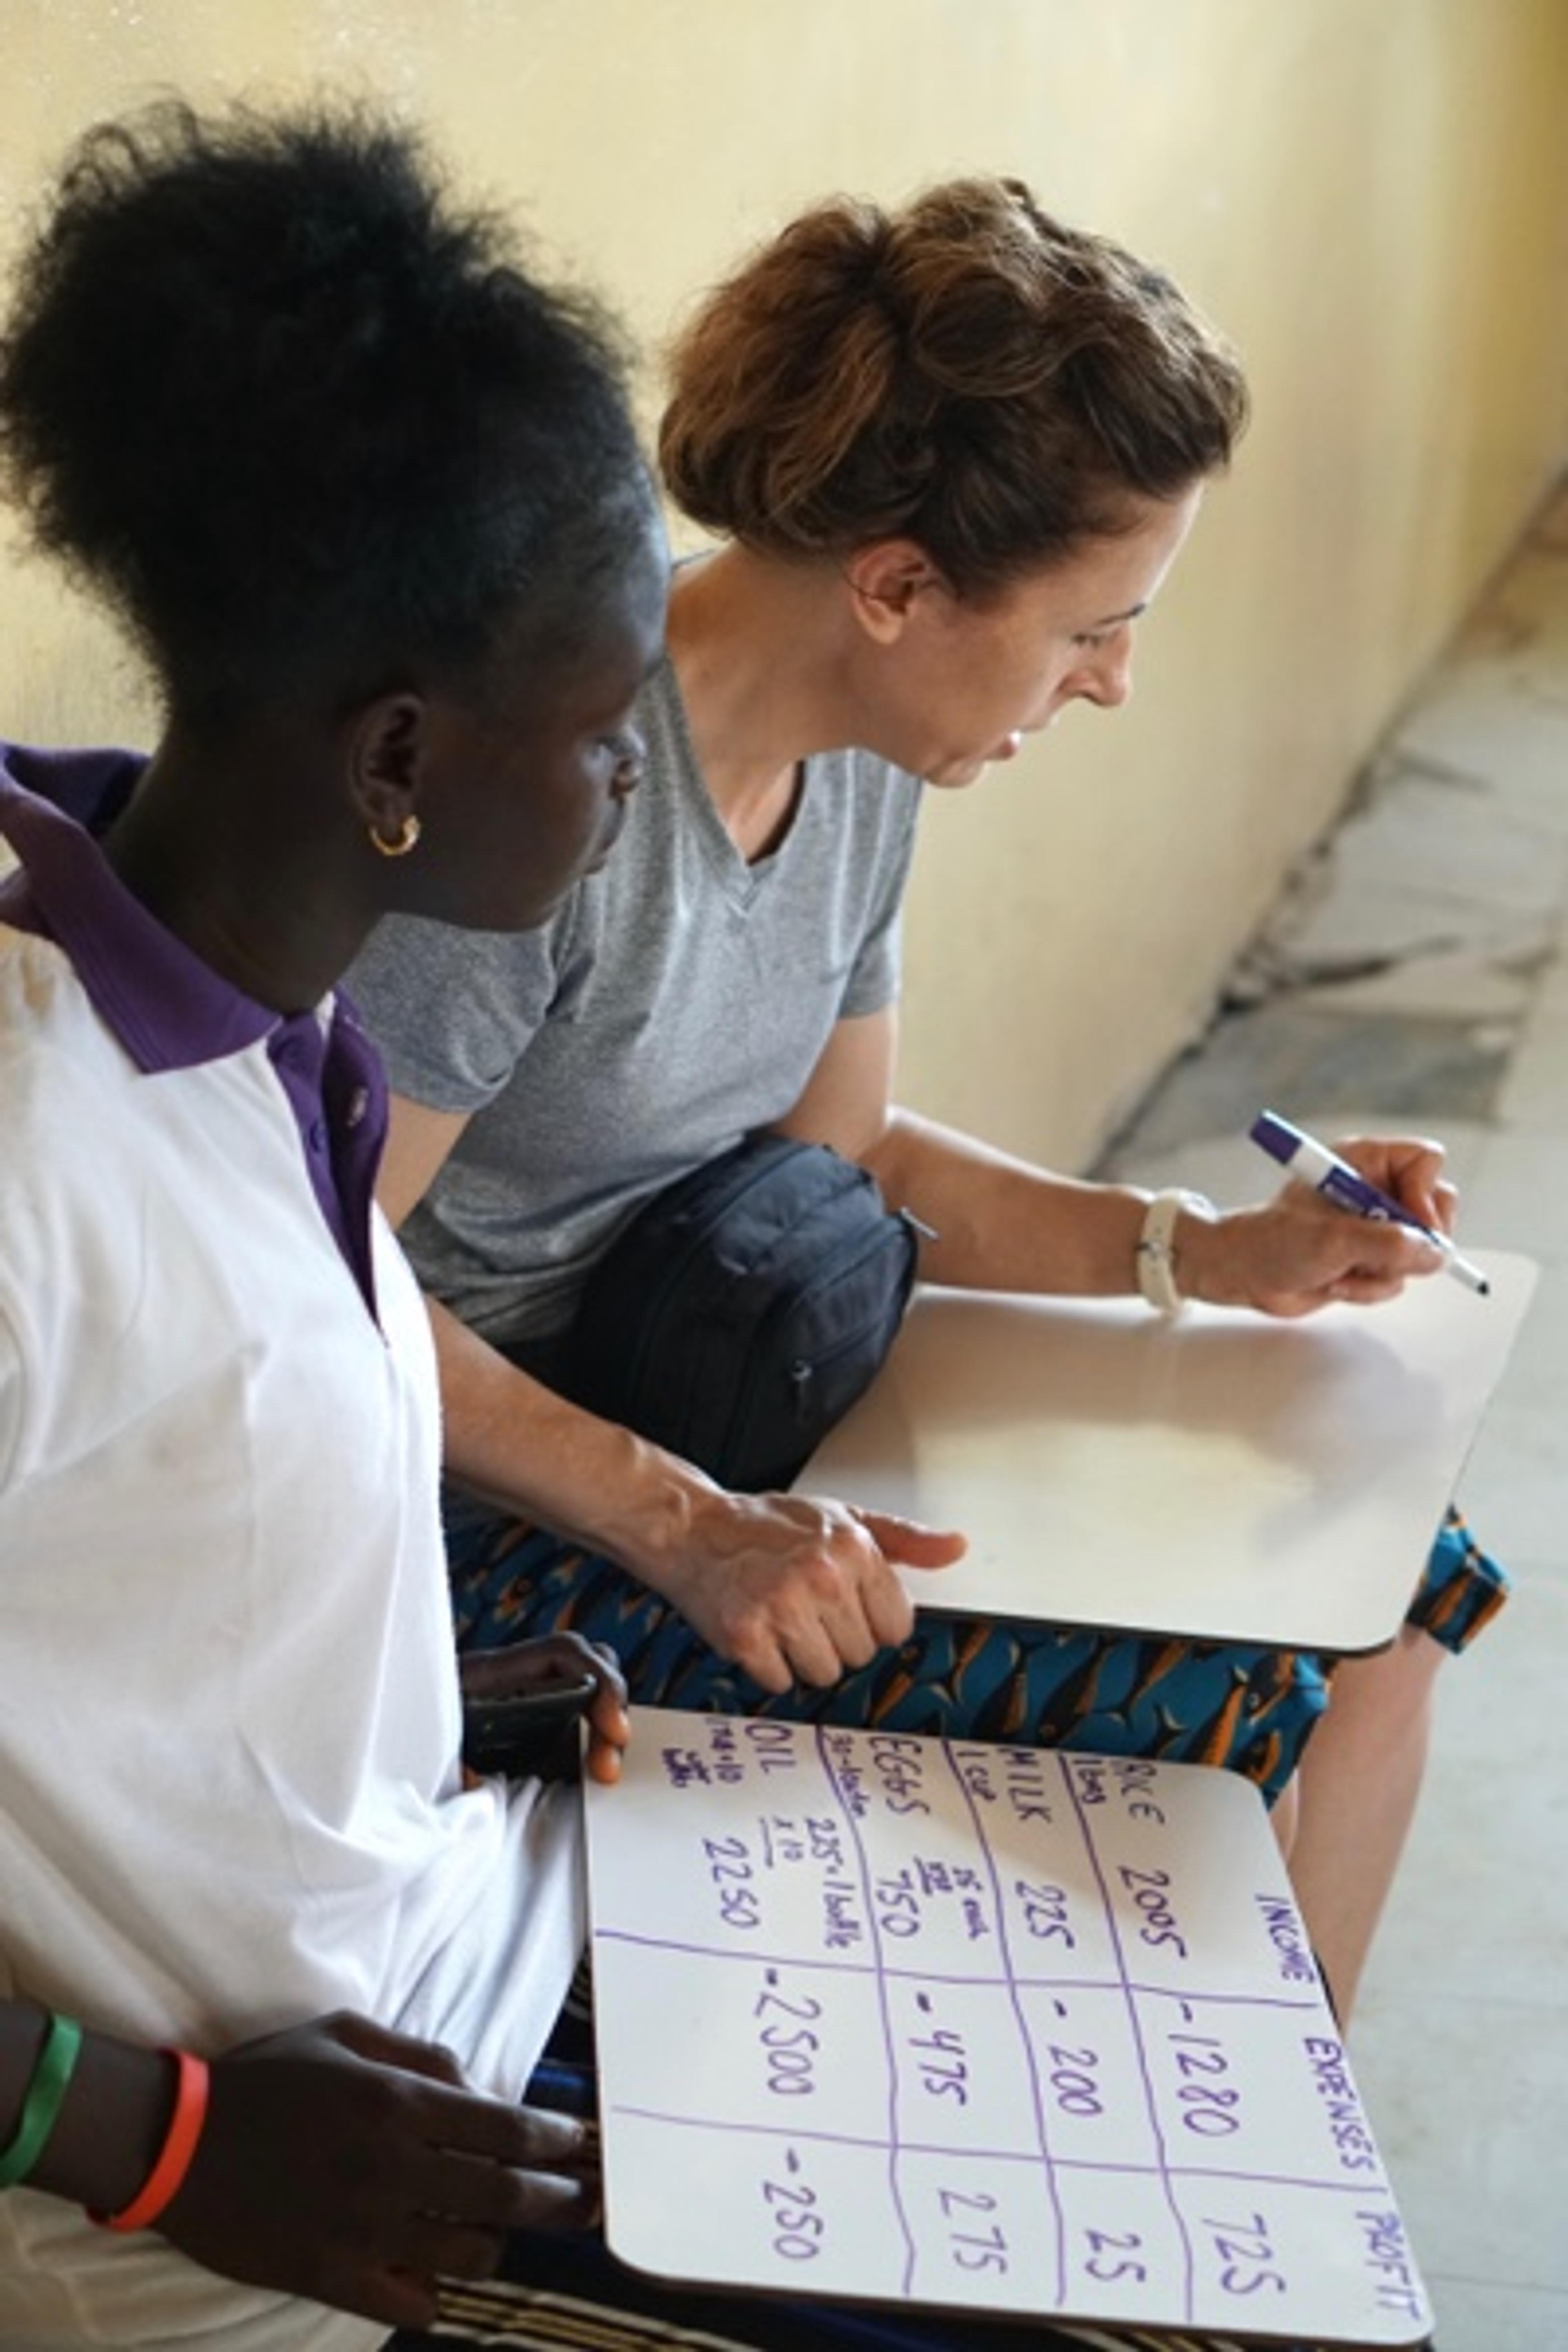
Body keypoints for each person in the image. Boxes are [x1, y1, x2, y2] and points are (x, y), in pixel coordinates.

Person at [0, 102, 1318, 2352]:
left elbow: (177, 1540)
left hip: (454, 1900)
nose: (644, 780)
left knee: (1143, 2175)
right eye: (608, 724)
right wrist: (149, 2139)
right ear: (401, 763)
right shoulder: (48, 1136)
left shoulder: (264, 1042)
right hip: (266, 2202)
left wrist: (405, 1700)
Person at [350, 177, 1506, 2025]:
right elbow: (322, 1278)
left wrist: (1213, 1254)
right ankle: (1173, 2180)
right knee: (1240, 1701)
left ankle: (1286, 2178)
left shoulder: (865, 745)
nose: (1114, 682)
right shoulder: (545, 800)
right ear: (895, 588)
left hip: (716, 1378)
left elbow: (854, 1155)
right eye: (1089, 630)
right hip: (467, 1510)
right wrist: (684, 1522)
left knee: (1396, 1588)